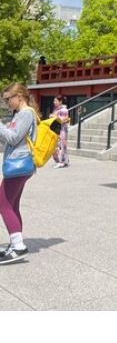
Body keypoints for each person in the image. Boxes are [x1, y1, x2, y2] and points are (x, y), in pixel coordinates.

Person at [0, 83, 39, 265]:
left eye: (8, 99)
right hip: (19, 165)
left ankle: (18, 246)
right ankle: (15, 244)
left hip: (18, 165)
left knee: (3, 204)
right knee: (12, 205)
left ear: (19, 97)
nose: (7, 102)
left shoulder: (25, 113)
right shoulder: (22, 114)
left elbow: (13, 137)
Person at [50, 96, 70, 168]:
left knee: (61, 146)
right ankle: (64, 161)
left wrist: (54, 117)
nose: (54, 102)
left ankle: (62, 162)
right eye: (54, 101)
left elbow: (63, 120)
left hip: (62, 130)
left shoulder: (64, 110)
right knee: (59, 145)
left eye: (55, 101)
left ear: (60, 101)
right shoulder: (57, 109)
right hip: (57, 129)